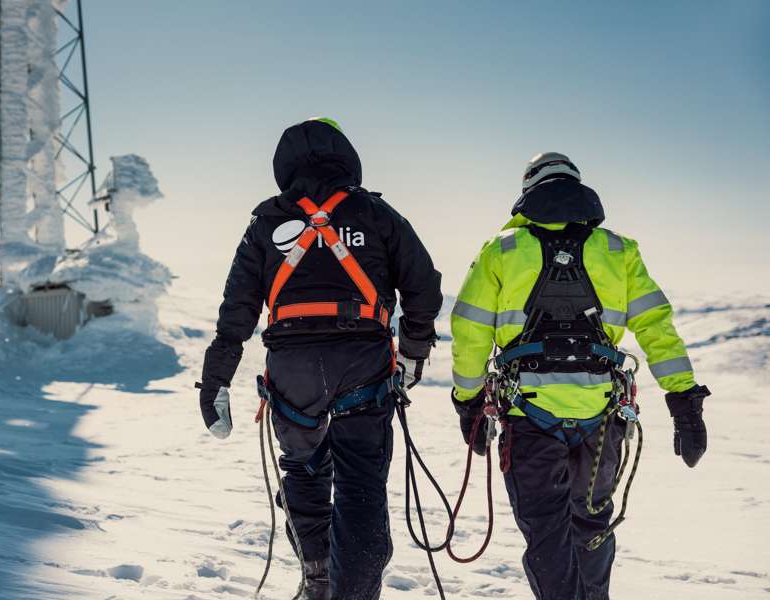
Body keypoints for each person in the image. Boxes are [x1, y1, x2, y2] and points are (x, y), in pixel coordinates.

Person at [196, 118, 443, 600]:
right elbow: (423, 287)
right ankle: (353, 589)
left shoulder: (266, 223)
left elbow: (237, 311)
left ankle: (319, 575)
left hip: (293, 368)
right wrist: (413, 353)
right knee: (361, 483)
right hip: (364, 362)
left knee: (305, 467)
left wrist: (216, 380)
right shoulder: (376, 213)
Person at [450, 152, 710, 600]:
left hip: (527, 415)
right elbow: (656, 328)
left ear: (528, 189)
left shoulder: (502, 250)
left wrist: (468, 400)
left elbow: (469, 330)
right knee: (591, 525)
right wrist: (683, 400)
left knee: (547, 535)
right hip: (603, 417)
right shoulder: (618, 250)